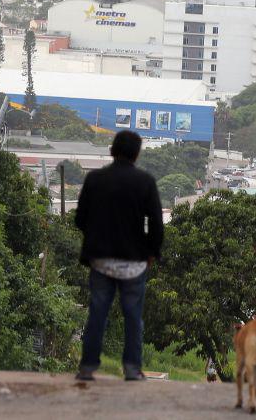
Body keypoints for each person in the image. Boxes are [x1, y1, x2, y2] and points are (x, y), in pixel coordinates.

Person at [75, 130, 164, 381]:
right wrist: (151, 252)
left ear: (112, 150)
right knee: (133, 318)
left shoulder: (95, 179)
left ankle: (87, 367)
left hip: (101, 259)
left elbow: (80, 219)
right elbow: (156, 224)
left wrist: (96, 239)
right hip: (134, 262)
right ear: (136, 154)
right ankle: (132, 369)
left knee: (97, 315)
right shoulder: (145, 182)